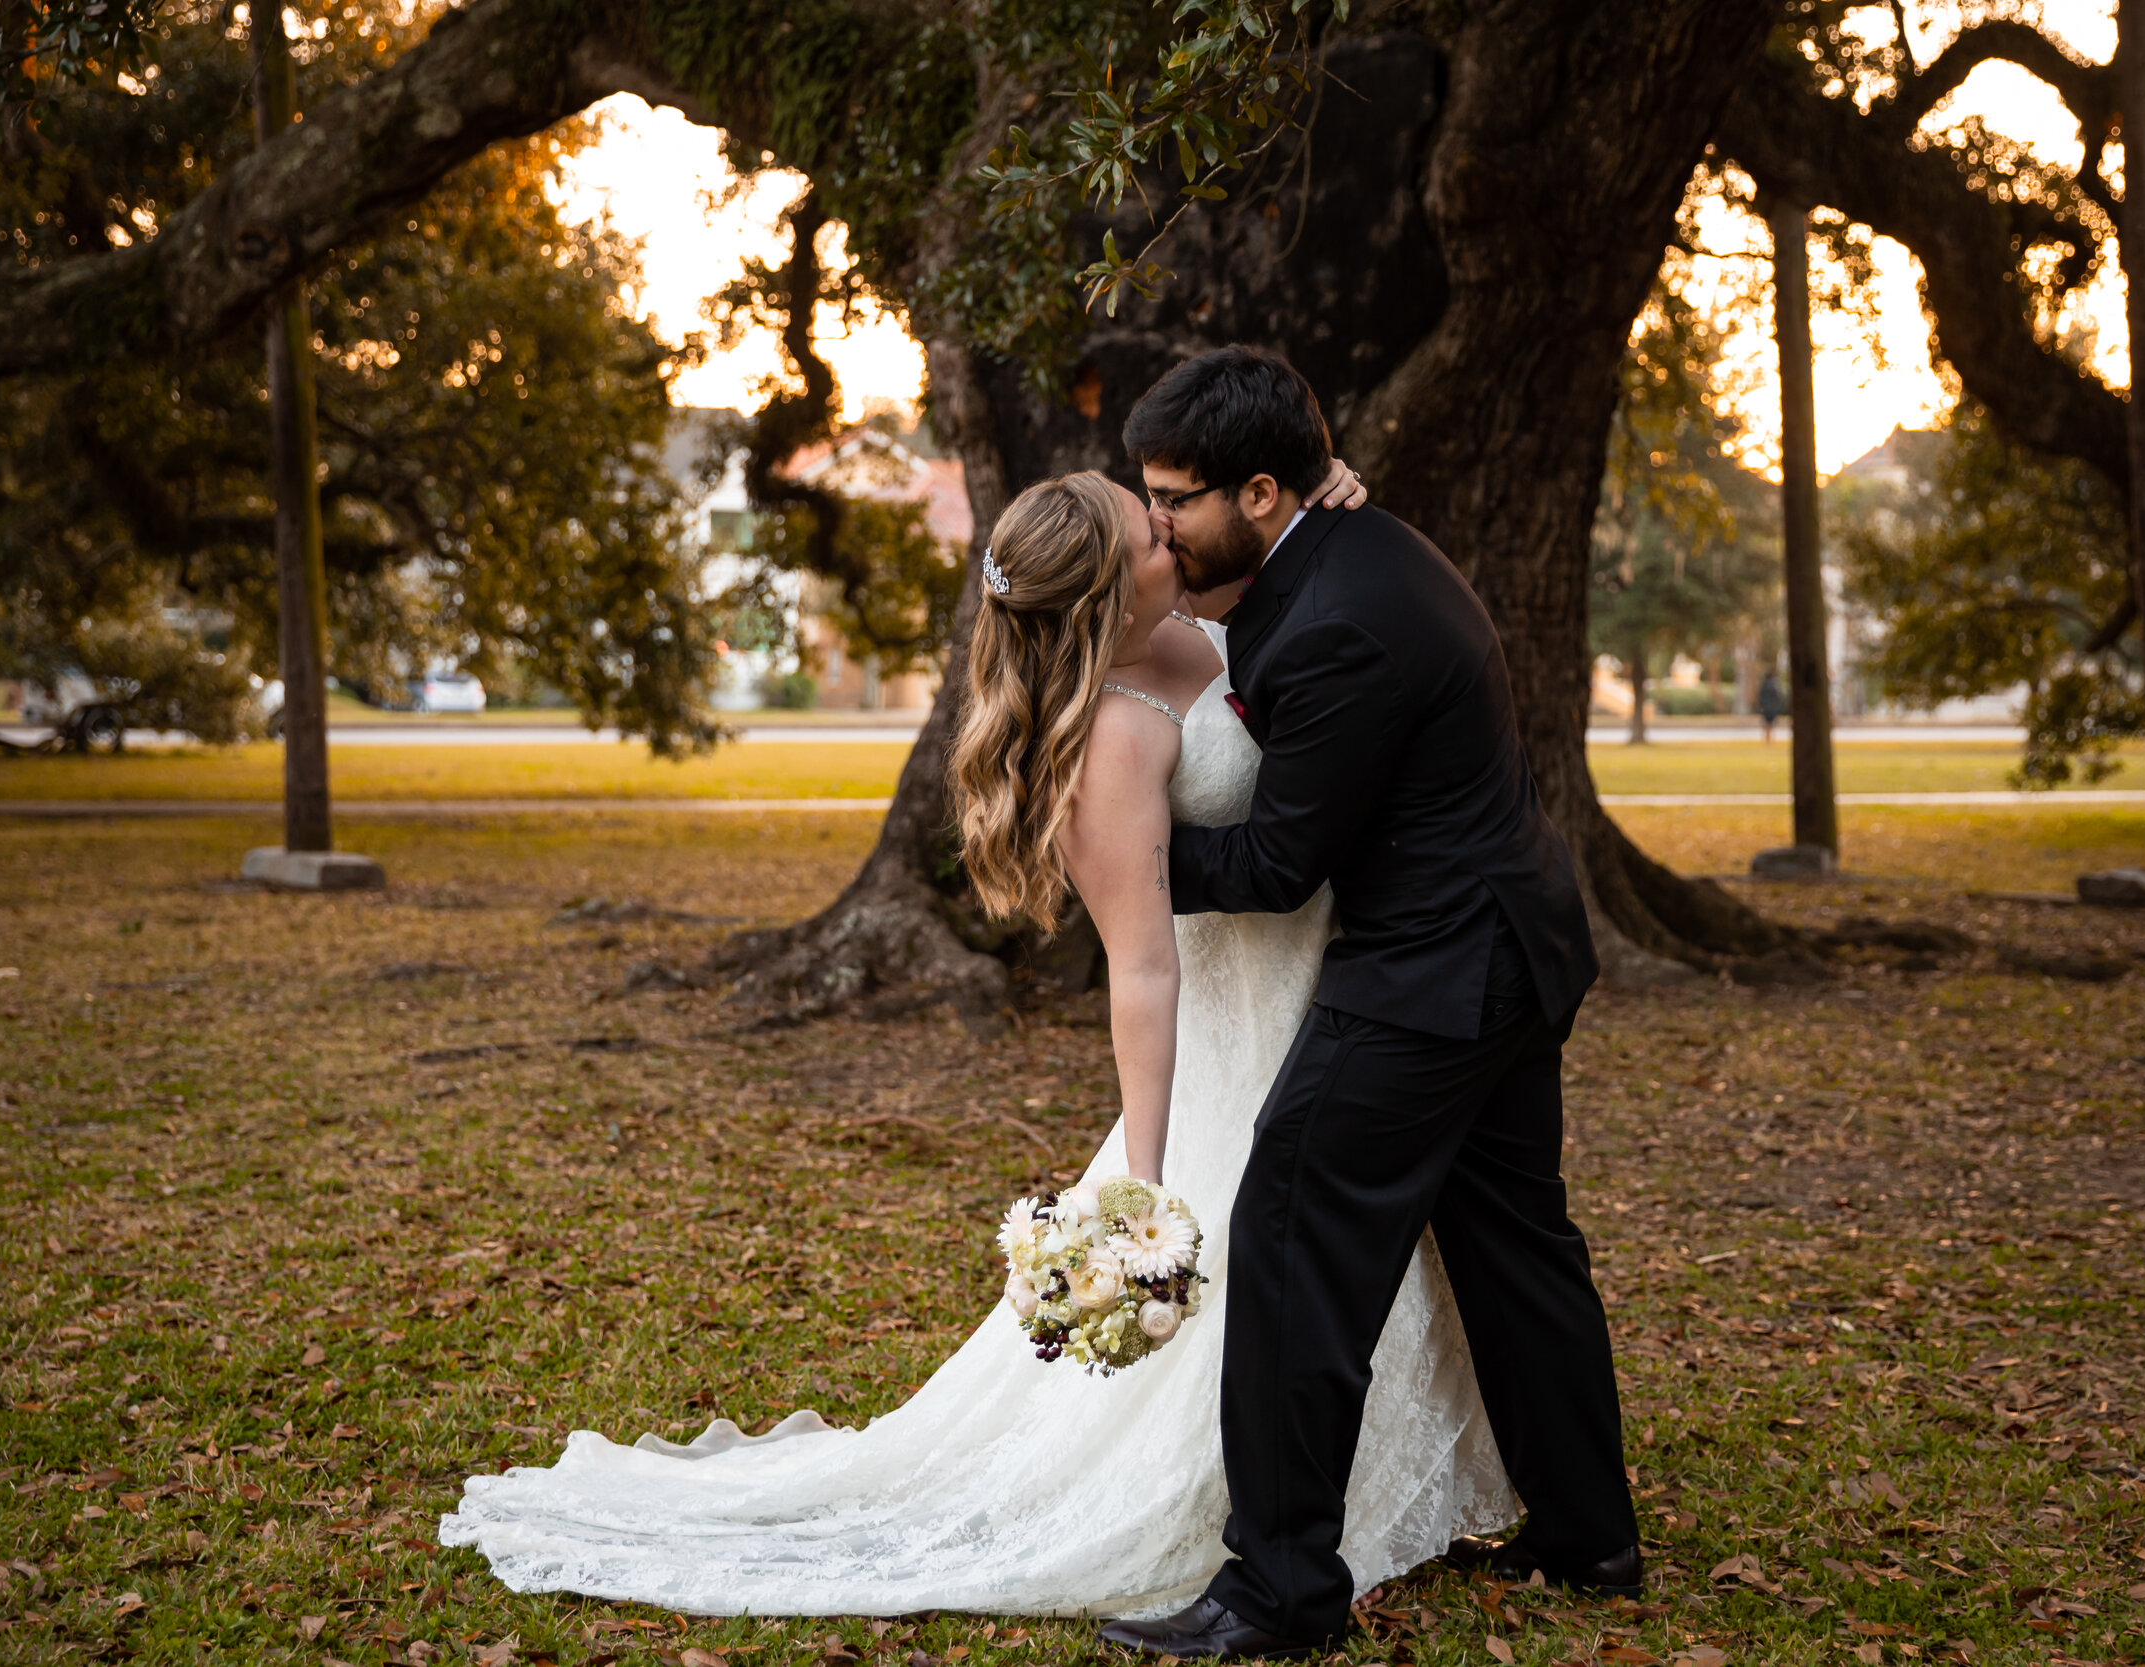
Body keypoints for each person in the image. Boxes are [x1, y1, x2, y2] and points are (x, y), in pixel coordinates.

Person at [435, 448, 1523, 1618]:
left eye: (1163, 508)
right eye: (1147, 529)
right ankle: (1272, 1517)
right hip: (1240, 1019)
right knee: (1277, 1259)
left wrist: (1326, 499)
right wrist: (1144, 1187)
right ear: (1113, 591)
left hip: (1346, 982)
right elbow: (1144, 968)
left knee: (1362, 1246)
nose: (1171, 527)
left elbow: (1304, 591)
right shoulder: (1111, 737)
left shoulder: (1203, 608)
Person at [1097, 347, 1639, 1661]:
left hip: (1435, 974)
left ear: (1266, 491)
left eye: (1175, 497)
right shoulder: (1355, 545)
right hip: (1511, 944)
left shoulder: (1332, 619)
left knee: (1287, 1250)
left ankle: (1278, 1591)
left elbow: (1284, 862)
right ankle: (1590, 1536)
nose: (1153, 520)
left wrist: (1131, 866)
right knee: (1517, 1243)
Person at [1757, 668, 1789, 742]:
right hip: (1772, 708)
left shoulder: (1763, 686)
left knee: (1766, 723)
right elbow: (1779, 697)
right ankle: (1771, 738)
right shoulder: (1775, 686)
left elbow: (1760, 697)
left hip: (1765, 708)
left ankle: (1767, 738)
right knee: (1771, 723)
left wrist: (1761, 706)